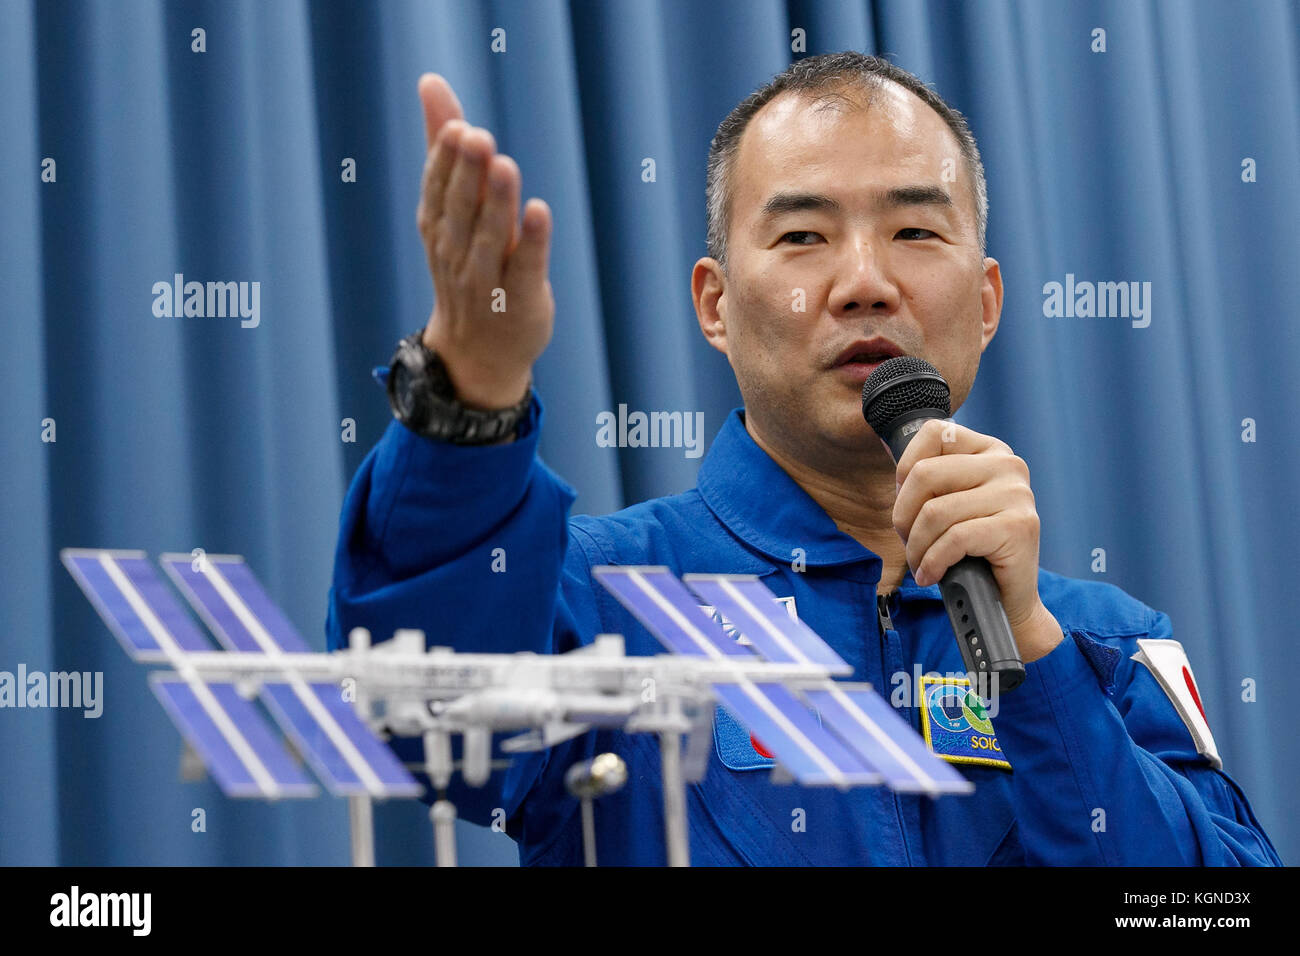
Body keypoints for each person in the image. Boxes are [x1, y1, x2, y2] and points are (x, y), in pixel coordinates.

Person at [327, 52, 1281, 866]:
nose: (864, 283)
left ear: (987, 302)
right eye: (802, 236)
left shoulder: (1102, 641)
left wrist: (1033, 651)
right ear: (715, 305)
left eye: (915, 231)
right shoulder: (601, 599)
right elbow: (409, 716)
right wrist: (468, 396)